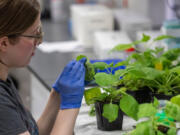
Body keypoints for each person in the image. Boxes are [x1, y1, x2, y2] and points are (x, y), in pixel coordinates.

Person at [0, 0, 86, 135]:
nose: (39, 42)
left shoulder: (4, 81)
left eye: (39, 32)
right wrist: (70, 107)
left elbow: (32, 132)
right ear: (4, 43)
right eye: (33, 34)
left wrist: (57, 97)